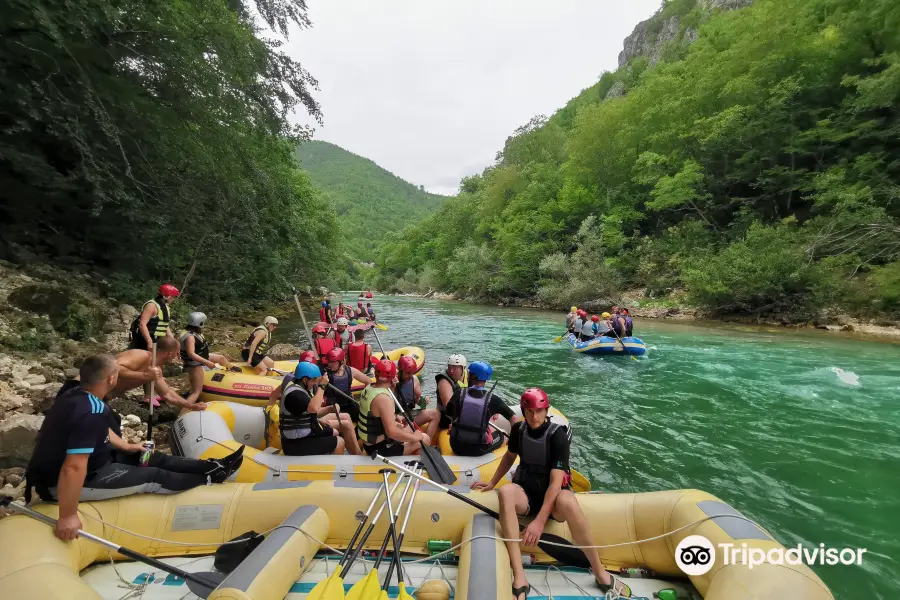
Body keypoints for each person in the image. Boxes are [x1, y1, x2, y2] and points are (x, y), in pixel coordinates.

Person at [26, 354, 243, 540]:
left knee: (152, 457)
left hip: (99, 461)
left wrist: (127, 446)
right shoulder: (92, 411)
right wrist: (67, 515)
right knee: (154, 475)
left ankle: (212, 466)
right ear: (112, 379)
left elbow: (101, 432)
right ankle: (209, 479)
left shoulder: (73, 393)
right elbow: (73, 467)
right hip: (64, 483)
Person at [472, 388, 631, 599]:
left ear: (546, 410)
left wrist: (539, 521)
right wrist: (492, 482)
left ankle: (600, 572)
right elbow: (509, 457)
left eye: (539, 411)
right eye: (529, 411)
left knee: (568, 500)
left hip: (553, 496)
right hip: (526, 491)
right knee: (505, 493)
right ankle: (519, 574)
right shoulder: (519, 430)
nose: (534, 416)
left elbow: (556, 481)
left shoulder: (558, 436)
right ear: (523, 411)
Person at [358, 359, 429, 456]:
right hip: (380, 449)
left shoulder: (369, 388)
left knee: (404, 427)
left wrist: (395, 417)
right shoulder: (384, 398)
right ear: (392, 377)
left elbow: (375, 414)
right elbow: (391, 432)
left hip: (371, 442)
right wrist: (415, 437)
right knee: (425, 438)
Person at [448, 361, 518, 457]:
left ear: (472, 376)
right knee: (501, 435)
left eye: (468, 374)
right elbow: (513, 419)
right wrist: (513, 440)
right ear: (485, 379)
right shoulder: (493, 400)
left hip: (456, 445)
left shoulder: (459, 393)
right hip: (478, 449)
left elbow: (448, 412)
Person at [278, 362, 345, 456]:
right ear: (305, 380)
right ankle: (334, 468)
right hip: (294, 443)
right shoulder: (296, 394)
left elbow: (310, 412)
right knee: (339, 441)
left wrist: (329, 409)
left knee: (335, 432)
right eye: (313, 381)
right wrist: (322, 387)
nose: (314, 384)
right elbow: (313, 408)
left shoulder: (298, 387)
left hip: (303, 433)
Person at [129, 283, 180, 404]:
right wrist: (149, 342)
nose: (173, 299)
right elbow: (142, 324)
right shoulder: (152, 305)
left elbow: (165, 326)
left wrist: (174, 342)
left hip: (158, 341)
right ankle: (148, 396)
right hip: (146, 340)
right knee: (150, 367)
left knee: (157, 367)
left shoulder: (165, 307)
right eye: (173, 297)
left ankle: (154, 393)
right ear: (166, 296)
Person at [180, 312, 233, 405]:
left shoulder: (191, 332)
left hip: (200, 357)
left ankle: (232, 369)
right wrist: (207, 363)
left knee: (220, 357)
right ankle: (183, 412)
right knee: (196, 392)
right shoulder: (190, 337)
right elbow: (191, 354)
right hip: (194, 364)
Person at [322, 347, 371, 433]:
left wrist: (363, 398)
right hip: (334, 407)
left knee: (368, 419)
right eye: (329, 361)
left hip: (349, 404)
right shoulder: (324, 375)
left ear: (341, 361)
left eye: (333, 362)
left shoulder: (350, 371)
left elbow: (368, 381)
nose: (330, 364)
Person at [395, 355, 440, 445]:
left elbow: (418, 401)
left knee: (436, 414)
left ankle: (427, 442)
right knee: (402, 430)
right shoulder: (392, 381)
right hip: (397, 417)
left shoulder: (414, 379)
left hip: (410, 414)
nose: (410, 375)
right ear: (400, 371)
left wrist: (422, 401)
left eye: (412, 372)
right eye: (408, 373)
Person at [435, 354, 467, 430]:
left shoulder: (469, 375)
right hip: (447, 417)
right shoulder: (444, 380)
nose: (451, 371)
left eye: (455, 368)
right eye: (449, 367)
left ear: (463, 368)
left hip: (464, 412)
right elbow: (449, 408)